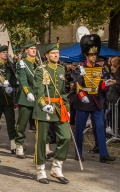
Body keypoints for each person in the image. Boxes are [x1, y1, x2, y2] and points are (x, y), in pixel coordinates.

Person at [74, 34, 116, 163]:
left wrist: (106, 85)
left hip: (98, 101)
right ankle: (78, 152)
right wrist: (82, 96)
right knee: (80, 128)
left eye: (95, 55)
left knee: (100, 127)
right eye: (91, 55)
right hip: (84, 102)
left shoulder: (101, 69)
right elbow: (78, 85)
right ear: (86, 55)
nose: (94, 56)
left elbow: (101, 86)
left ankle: (103, 154)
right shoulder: (80, 68)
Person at [33, 44, 71, 184]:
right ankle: (40, 170)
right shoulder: (41, 70)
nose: (56, 55)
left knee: (66, 137)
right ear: (47, 55)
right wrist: (44, 105)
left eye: (57, 53)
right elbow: (38, 90)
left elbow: (62, 93)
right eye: (53, 53)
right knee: (42, 140)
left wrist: (66, 108)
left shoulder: (61, 69)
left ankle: (56, 167)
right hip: (44, 108)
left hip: (58, 107)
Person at [15, 41, 38, 159]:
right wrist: (28, 92)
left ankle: (44, 146)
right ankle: (19, 145)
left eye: (35, 48)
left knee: (41, 123)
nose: (34, 50)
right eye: (31, 48)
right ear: (26, 50)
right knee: (22, 122)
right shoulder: (22, 63)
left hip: (39, 96)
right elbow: (23, 79)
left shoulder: (39, 63)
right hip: (26, 96)